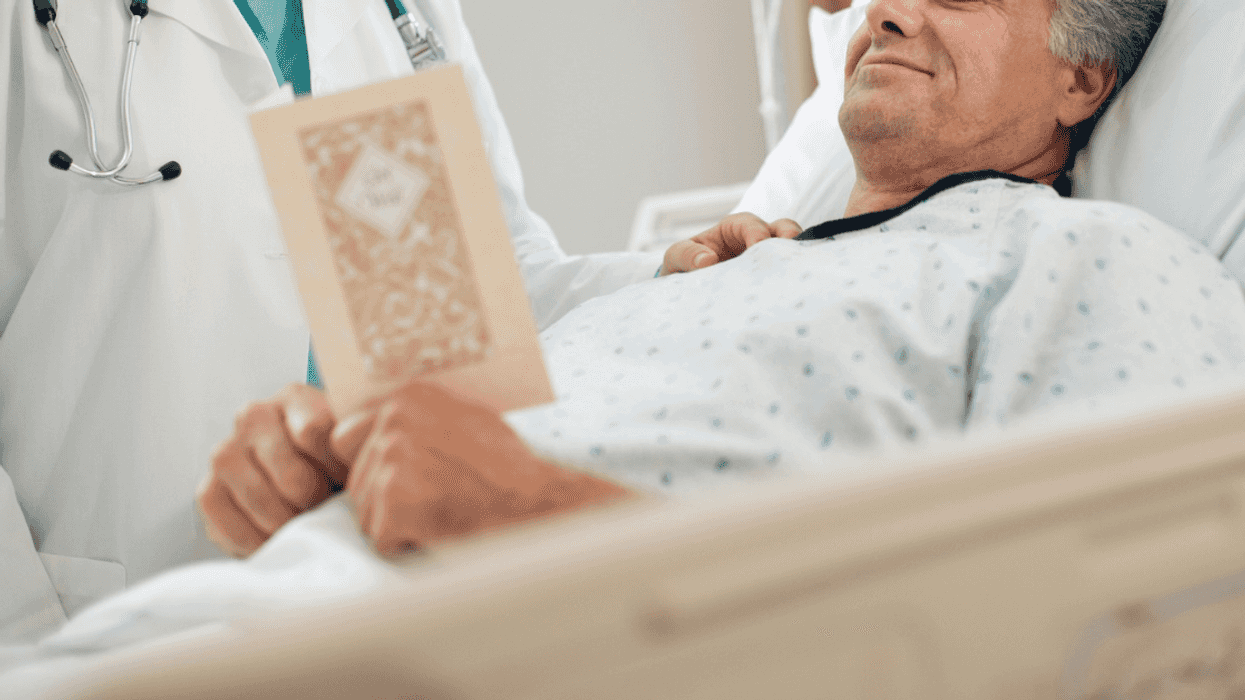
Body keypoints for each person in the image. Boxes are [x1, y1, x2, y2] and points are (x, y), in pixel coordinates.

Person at [202, 0, 1239, 561]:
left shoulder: (1090, 261)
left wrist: (534, 513)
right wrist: (321, 462)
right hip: (198, 618)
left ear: (1083, 78)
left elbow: (1101, 628)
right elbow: (440, 335)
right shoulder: (747, 269)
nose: (885, 12)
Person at [0, 0, 757, 640]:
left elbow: (466, 299)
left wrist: (667, 275)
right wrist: (26, 642)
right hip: (112, 616)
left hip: (369, 605)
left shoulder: (396, 12)